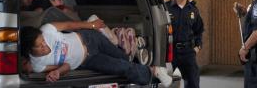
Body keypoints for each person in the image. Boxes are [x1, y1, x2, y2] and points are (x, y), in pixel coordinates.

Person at [20, 21, 172, 87]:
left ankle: (119, 37)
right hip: (88, 60)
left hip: (91, 38)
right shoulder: (37, 65)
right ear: (29, 50)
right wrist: (58, 72)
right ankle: (155, 71)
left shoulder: (46, 30)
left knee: (125, 58)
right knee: (124, 67)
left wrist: (91, 25)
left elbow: (69, 25)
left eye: (43, 41)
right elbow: (66, 65)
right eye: (39, 46)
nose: (45, 46)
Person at [165, 0, 204, 88]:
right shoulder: (165, 8)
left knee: (193, 83)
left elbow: (199, 30)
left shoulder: (193, 10)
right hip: (169, 52)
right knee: (166, 83)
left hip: (188, 52)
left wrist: (198, 46)